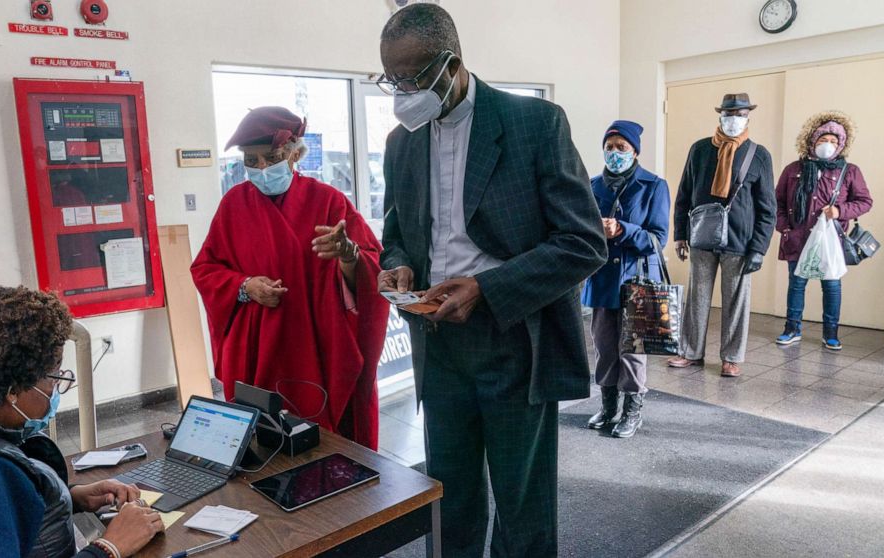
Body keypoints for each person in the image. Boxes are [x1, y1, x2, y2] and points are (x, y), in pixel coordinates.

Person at [376, 5, 607, 555]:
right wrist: (399, 263)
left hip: (513, 339)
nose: (403, 91)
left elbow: (583, 242)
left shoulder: (535, 123)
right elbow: (396, 231)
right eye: (392, 79)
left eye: (413, 77)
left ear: (452, 64)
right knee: (448, 496)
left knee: (521, 502)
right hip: (437, 343)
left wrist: (487, 288)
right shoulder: (400, 142)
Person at [0, 286, 162, 558]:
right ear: (12, 391)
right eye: (54, 375)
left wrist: (68, 497)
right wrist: (109, 548)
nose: (56, 388)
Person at [191, 107, 389, 450]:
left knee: (327, 447)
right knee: (264, 443)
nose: (262, 168)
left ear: (295, 154)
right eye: (252, 160)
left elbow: (373, 266)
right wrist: (244, 286)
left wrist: (348, 256)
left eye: (272, 157)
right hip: (260, 346)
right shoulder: (233, 205)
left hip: (319, 345)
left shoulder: (328, 201)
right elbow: (206, 268)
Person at [668, 93, 776, 378]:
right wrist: (680, 234)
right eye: (729, 115)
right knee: (697, 297)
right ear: (720, 117)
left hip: (740, 241)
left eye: (740, 115)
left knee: (736, 301)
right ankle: (690, 351)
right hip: (703, 235)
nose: (734, 120)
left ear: (748, 117)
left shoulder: (758, 154)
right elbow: (684, 194)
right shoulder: (700, 149)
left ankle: (731, 357)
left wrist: (759, 249)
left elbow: (767, 208)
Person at [582, 120, 670, 438]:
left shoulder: (654, 186)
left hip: (638, 279)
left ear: (634, 151)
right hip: (602, 278)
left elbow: (657, 239)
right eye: (609, 147)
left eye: (621, 148)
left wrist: (622, 230)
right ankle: (608, 408)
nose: (615, 153)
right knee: (605, 347)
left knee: (632, 349)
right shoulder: (592, 186)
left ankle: (633, 411)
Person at [774, 111, 873, 350]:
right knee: (796, 284)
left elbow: (865, 201)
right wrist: (784, 228)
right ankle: (792, 329)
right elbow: (776, 202)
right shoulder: (793, 168)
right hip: (797, 237)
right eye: (822, 140)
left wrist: (840, 211)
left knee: (831, 285)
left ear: (841, 144)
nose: (828, 145)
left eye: (833, 141)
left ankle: (831, 333)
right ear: (811, 141)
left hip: (831, 240)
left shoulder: (850, 171)